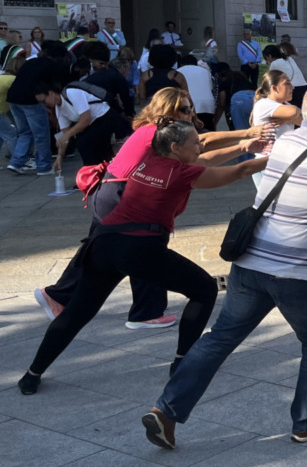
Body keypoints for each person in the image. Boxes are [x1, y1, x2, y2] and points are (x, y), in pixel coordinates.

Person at [142, 88, 307, 448]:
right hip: (299, 272)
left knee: (219, 339)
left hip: (250, 264)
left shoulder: (284, 143)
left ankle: (166, 411)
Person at [18, 120, 266, 396]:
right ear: (174, 147)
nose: (200, 145)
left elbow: (204, 159)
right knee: (205, 289)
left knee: (78, 311)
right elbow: (240, 171)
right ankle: (182, 363)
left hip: (104, 241)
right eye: (194, 142)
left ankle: (32, 374)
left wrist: (244, 145)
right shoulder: (180, 173)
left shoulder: (149, 161)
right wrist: (283, 160)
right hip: (139, 247)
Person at [35, 87, 265, 328]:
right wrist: (246, 136)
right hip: (119, 194)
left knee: (113, 248)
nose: (190, 114)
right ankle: (141, 311)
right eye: (184, 109)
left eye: (191, 108)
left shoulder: (153, 132)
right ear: (168, 110)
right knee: (143, 246)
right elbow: (203, 145)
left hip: (111, 192)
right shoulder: (159, 132)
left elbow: (198, 157)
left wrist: (244, 146)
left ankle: (62, 296)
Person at [6, 39, 71, 175]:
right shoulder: (53, 66)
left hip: (13, 98)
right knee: (41, 134)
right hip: (31, 100)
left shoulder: (30, 62)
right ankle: (44, 166)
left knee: (25, 132)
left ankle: (16, 162)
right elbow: (58, 85)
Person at [177, 54, 217, 128]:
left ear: (181, 64)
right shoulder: (205, 71)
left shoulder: (178, 72)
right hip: (208, 105)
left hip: (190, 106)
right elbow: (211, 87)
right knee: (207, 129)